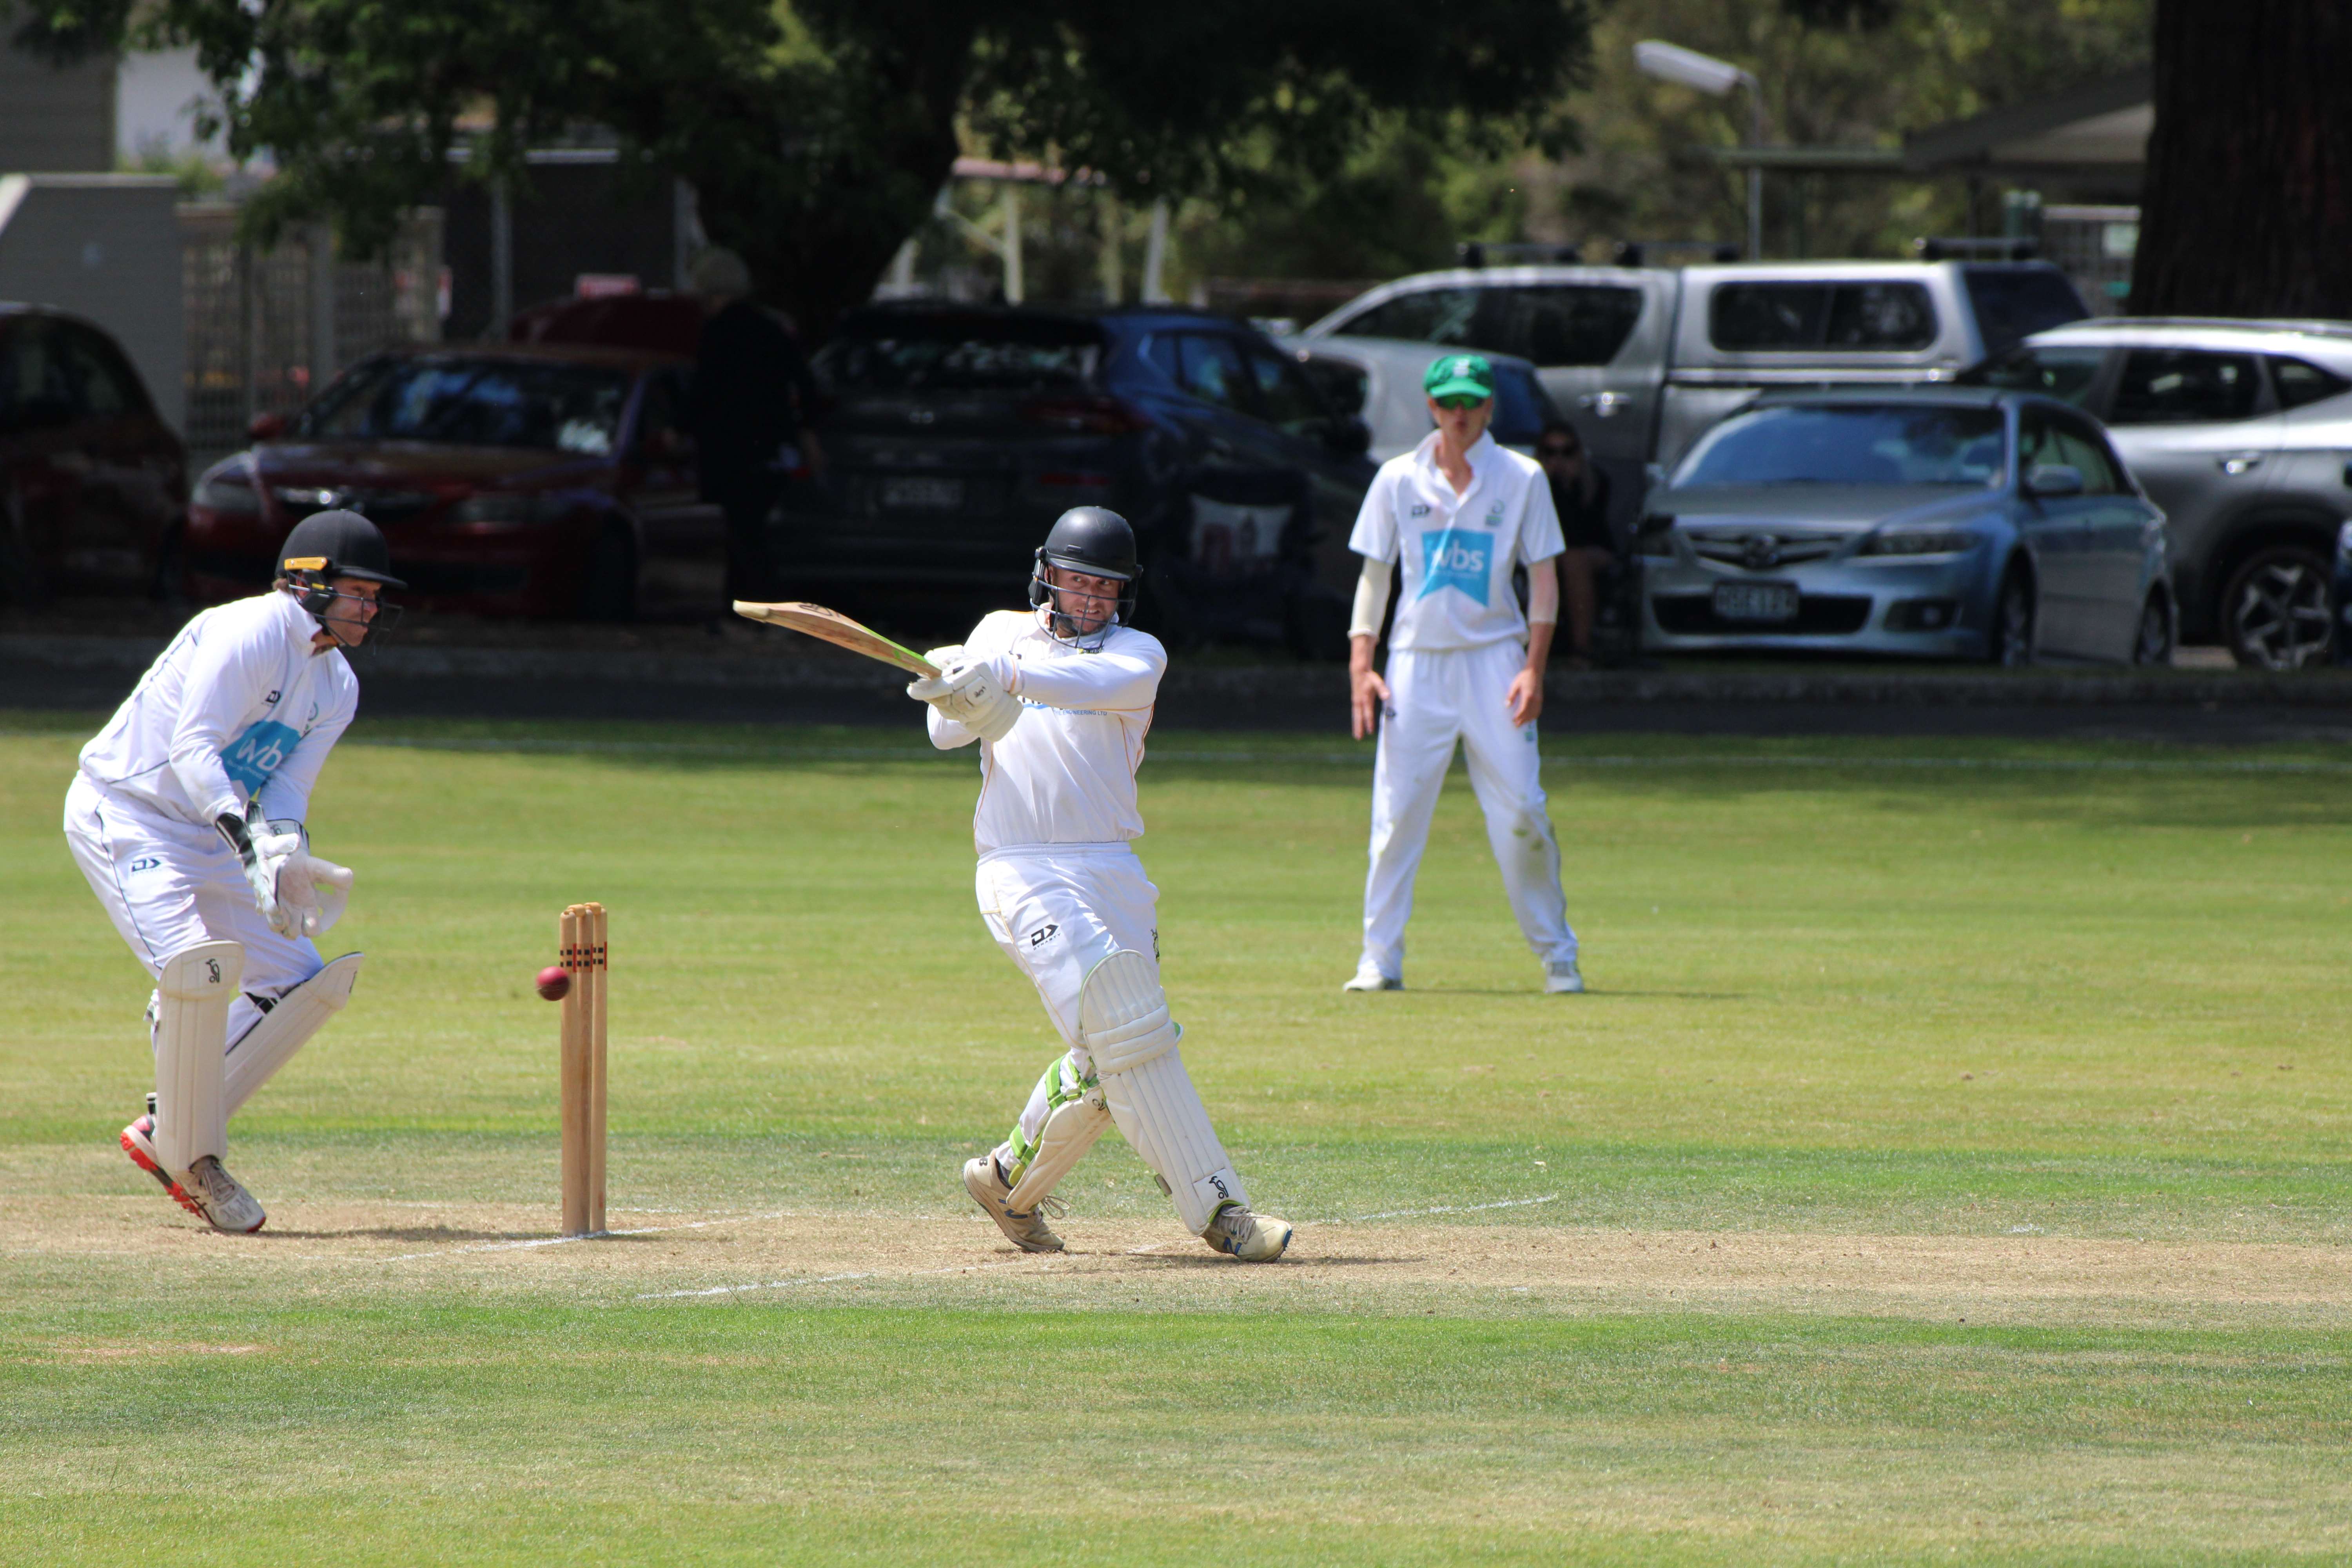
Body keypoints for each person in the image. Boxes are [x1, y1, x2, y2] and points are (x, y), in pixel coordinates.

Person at [917, 506, 1291, 1263]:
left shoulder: (1138, 654)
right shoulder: (997, 633)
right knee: (1125, 1025)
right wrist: (952, 683)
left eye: (1104, 588)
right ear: (1045, 576)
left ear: (1125, 594)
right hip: (1020, 864)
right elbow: (946, 733)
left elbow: (1087, 683)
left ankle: (1004, 1182)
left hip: (1113, 866)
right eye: (1076, 582)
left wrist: (1004, 675)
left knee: (1112, 1054)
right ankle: (1223, 1212)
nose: (1089, 599)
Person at [63, 510, 400, 1232]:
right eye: (358, 593)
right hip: (128, 813)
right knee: (198, 969)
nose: (369, 609)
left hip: (215, 832)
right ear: (306, 583)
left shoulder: (336, 685)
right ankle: (195, 1156)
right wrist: (246, 840)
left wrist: (285, 855)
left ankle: (166, 1132)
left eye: (375, 596)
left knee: (302, 984)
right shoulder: (247, 630)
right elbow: (195, 746)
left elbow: (284, 791)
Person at [1342, 354, 1583, 996]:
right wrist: (1361, 667)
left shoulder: (1522, 477)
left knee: (1523, 810)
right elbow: (1375, 577)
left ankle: (1558, 955)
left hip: (1496, 660)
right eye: (1448, 402)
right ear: (1431, 406)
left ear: (1489, 409)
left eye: (1472, 402)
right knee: (1395, 815)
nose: (1460, 413)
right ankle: (1380, 959)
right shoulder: (1397, 479)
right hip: (1416, 663)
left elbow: (1544, 577)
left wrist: (1534, 669)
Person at [685, 246, 824, 609]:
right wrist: (805, 433)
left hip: (727, 452)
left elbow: (703, 393)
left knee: (738, 534)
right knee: (757, 533)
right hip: (770, 449)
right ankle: (758, 607)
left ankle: (744, 608)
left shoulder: (715, 335)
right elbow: (805, 385)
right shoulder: (772, 330)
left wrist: (682, 428)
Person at [1535, 419, 1615, 668]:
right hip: (1546, 551)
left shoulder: (1594, 481)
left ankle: (1581, 648)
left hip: (1590, 548)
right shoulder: (1532, 483)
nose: (1559, 459)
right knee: (1564, 560)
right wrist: (1546, 484)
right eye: (1551, 452)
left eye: (1567, 451)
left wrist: (1572, 485)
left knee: (1574, 560)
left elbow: (1585, 529)